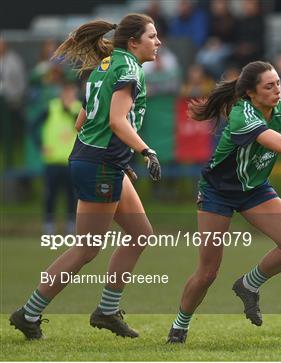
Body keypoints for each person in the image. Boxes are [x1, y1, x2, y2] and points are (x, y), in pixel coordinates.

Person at [9, 13, 162, 340]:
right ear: (134, 42)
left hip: (102, 160)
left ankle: (107, 310)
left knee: (141, 234)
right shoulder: (128, 68)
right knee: (87, 249)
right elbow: (118, 121)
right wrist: (146, 151)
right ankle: (29, 313)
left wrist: (123, 156)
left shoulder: (105, 65)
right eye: (152, 36)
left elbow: (83, 123)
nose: (158, 42)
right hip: (100, 164)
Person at [166, 60, 281, 344]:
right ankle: (179, 326)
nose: (277, 90)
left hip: (254, 189)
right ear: (250, 92)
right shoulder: (242, 115)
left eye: (278, 83)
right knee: (208, 271)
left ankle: (248, 285)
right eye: (269, 86)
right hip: (218, 192)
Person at [31, 79, 80, 234]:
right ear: (61, 92)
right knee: (50, 195)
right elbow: (33, 126)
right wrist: (40, 146)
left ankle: (71, 224)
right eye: (66, 91)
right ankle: (49, 224)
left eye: (71, 91)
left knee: (72, 195)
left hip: (72, 161)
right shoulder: (51, 107)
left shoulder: (80, 109)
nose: (68, 94)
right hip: (52, 161)